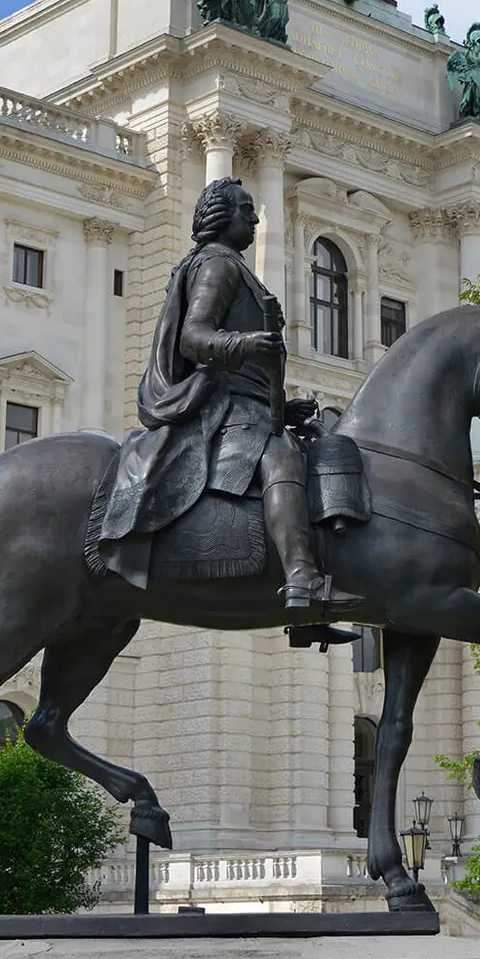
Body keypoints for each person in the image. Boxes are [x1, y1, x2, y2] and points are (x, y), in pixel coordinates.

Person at [101, 177, 361, 650]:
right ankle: (302, 578)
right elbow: (193, 337)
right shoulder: (218, 265)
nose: (256, 218)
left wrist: (284, 404)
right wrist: (246, 343)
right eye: (246, 209)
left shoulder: (233, 267)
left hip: (249, 402)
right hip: (220, 406)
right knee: (282, 460)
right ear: (222, 216)